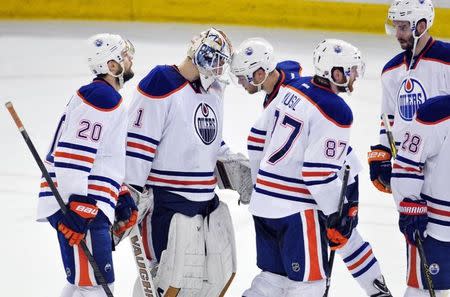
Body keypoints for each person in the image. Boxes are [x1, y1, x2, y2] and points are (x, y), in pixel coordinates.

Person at [231, 37, 392, 297]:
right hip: (297, 210)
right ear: (335, 72)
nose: (353, 78)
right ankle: (379, 291)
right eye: (349, 71)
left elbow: (256, 138)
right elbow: (317, 175)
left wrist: (260, 183)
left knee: (271, 281)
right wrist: (337, 216)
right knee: (310, 285)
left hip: (264, 206)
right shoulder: (336, 110)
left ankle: (377, 290)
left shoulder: (291, 88)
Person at [124, 28, 240, 297]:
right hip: (168, 201)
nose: (222, 69)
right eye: (219, 61)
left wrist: (230, 166)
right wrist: (130, 192)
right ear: (205, 56)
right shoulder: (161, 81)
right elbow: (138, 143)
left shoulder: (214, 90)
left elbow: (209, 141)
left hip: (205, 202)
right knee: (164, 280)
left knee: (207, 282)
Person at [37, 33, 136, 296]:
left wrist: (119, 192)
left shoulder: (103, 96)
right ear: (112, 66)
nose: (130, 59)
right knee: (96, 288)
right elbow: (73, 154)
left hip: (84, 201)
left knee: (83, 285)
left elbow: (101, 157)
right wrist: (78, 206)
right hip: (80, 204)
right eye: (124, 55)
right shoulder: (101, 97)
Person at [368, 0, 450, 194]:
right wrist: (384, 151)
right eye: (396, 27)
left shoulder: (446, 60)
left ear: (421, 26)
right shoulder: (390, 71)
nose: (397, 34)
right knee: (410, 221)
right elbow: (388, 119)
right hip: (407, 166)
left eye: (403, 28)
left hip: (443, 164)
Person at [391, 94, 450, 296]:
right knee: (422, 291)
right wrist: (410, 206)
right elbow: (406, 163)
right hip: (437, 228)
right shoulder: (436, 112)